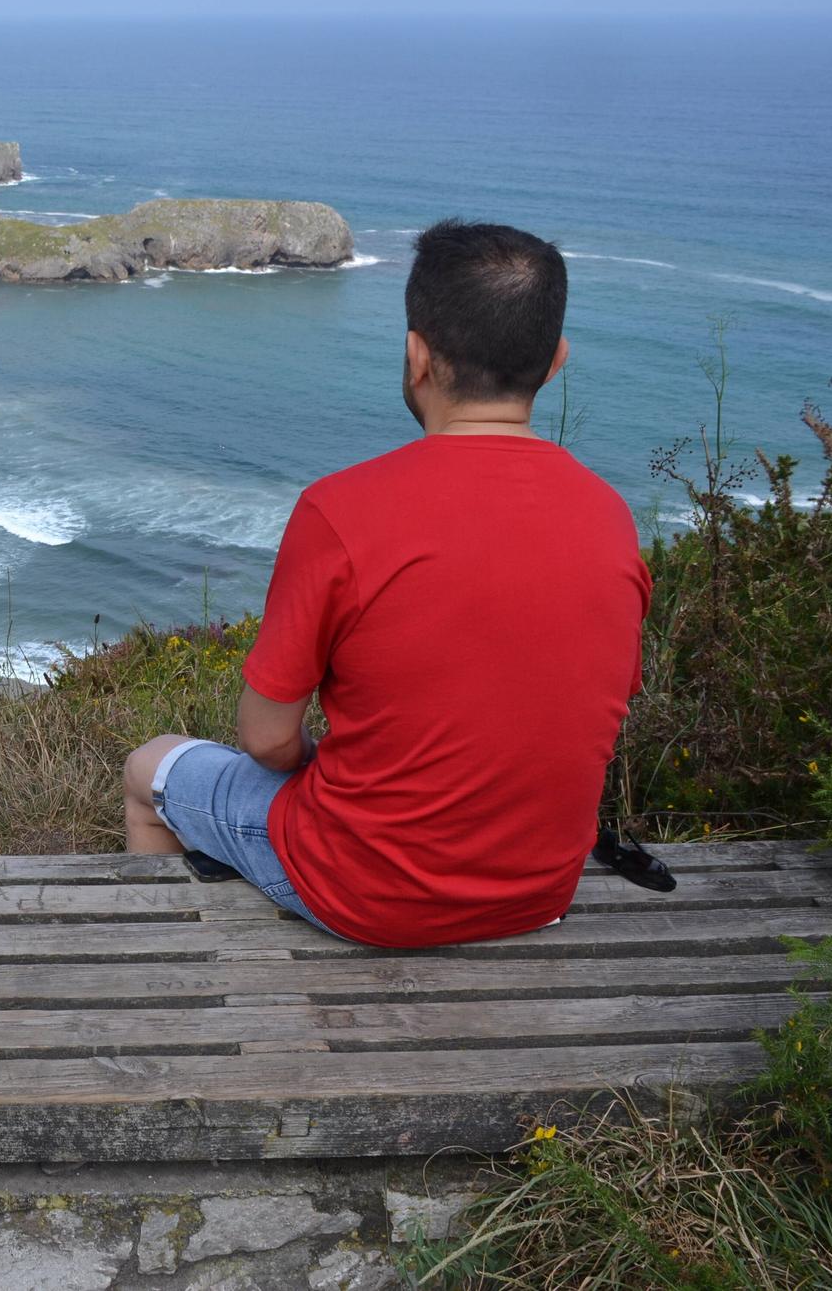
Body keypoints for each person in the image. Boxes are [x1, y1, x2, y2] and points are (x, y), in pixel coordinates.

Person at [122, 219, 650, 948]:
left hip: (361, 893)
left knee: (150, 767)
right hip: (537, 891)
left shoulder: (341, 510)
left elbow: (267, 738)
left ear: (416, 358)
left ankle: (159, 970)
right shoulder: (611, 518)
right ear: (556, 361)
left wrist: (316, 768)